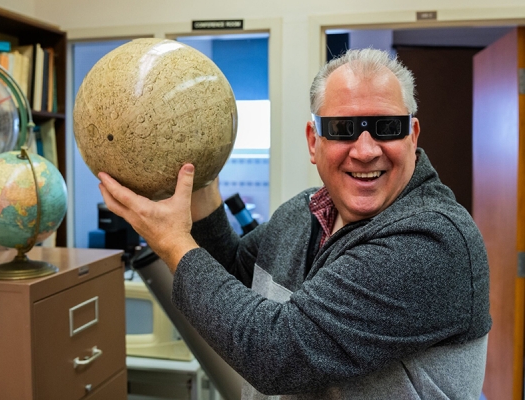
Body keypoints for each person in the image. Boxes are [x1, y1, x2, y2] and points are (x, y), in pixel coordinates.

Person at [98, 48, 492, 399]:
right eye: (342, 129)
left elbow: (276, 353)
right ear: (312, 142)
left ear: (412, 135)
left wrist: (172, 241)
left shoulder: (431, 241)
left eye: (387, 127)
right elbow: (234, 275)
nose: (366, 150)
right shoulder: (303, 211)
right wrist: (201, 184)